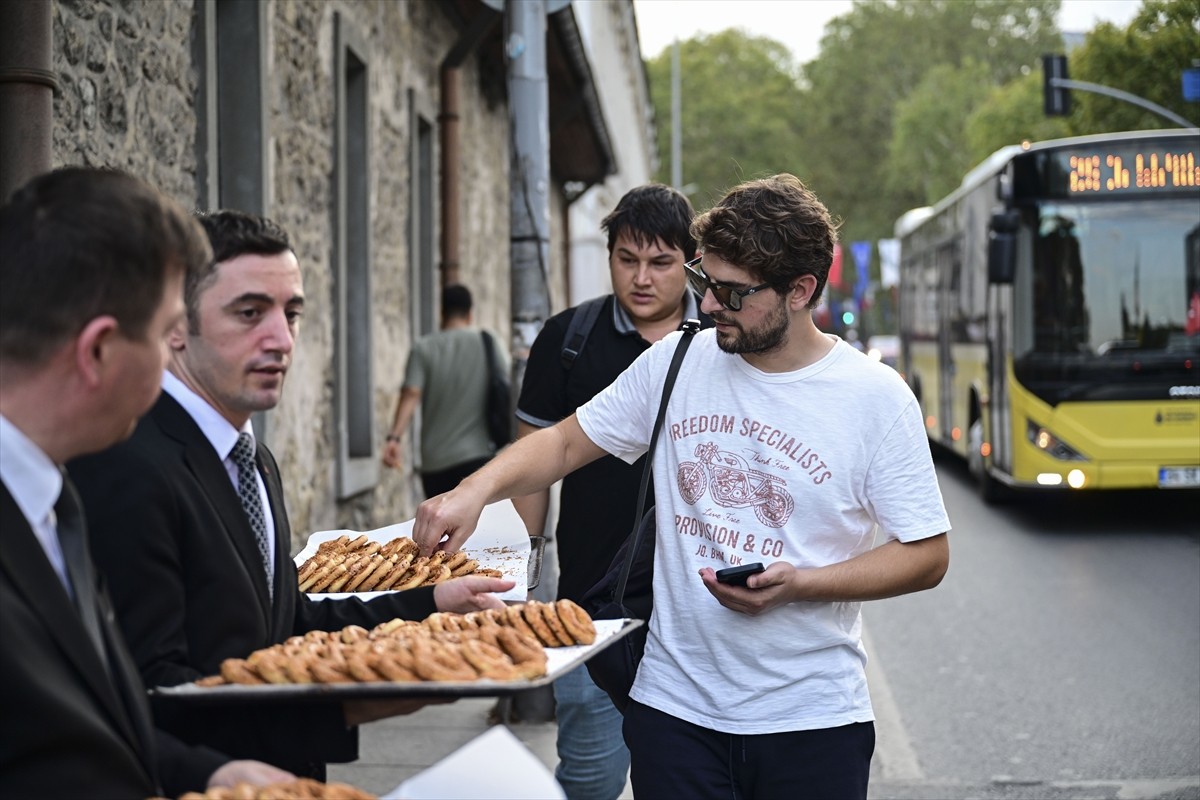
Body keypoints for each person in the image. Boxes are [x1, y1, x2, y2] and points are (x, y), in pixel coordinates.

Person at [412, 174, 951, 799]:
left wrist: (803, 585)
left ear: (801, 290)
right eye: (703, 280)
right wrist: (473, 490)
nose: (709, 304)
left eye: (731, 291)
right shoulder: (678, 359)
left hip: (813, 721)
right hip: (672, 713)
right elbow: (563, 442)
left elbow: (928, 555)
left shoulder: (875, 400)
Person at [68, 210, 515, 778]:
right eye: (250, 313)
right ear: (176, 326)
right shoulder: (131, 466)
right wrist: (353, 705)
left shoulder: (255, 460)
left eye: (292, 313)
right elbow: (151, 697)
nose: (281, 339)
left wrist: (429, 605)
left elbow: (286, 625)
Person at [0, 167, 292, 797]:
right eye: (164, 335)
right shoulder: (106, 479)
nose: (172, 359)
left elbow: (92, 730)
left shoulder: (53, 502)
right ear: (99, 351)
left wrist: (207, 772)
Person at [509, 183, 709, 799]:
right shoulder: (568, 339)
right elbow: (530, 468)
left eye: (661, 262)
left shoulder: (725, 340)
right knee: (589, 784)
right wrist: (522, 582)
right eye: (627, 259)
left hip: (702, 620)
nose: (642, 278)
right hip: (591, 610)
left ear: (690, 263)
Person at [381, 283, 509, 498]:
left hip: (435, 463)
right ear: (470, 313)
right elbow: (508, 382)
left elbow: (411, 394)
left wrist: (394, 438)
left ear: (442, 313)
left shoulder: (423, 347)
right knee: (479, 529)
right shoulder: (488, 342)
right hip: (477, 456)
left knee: (439, 528)